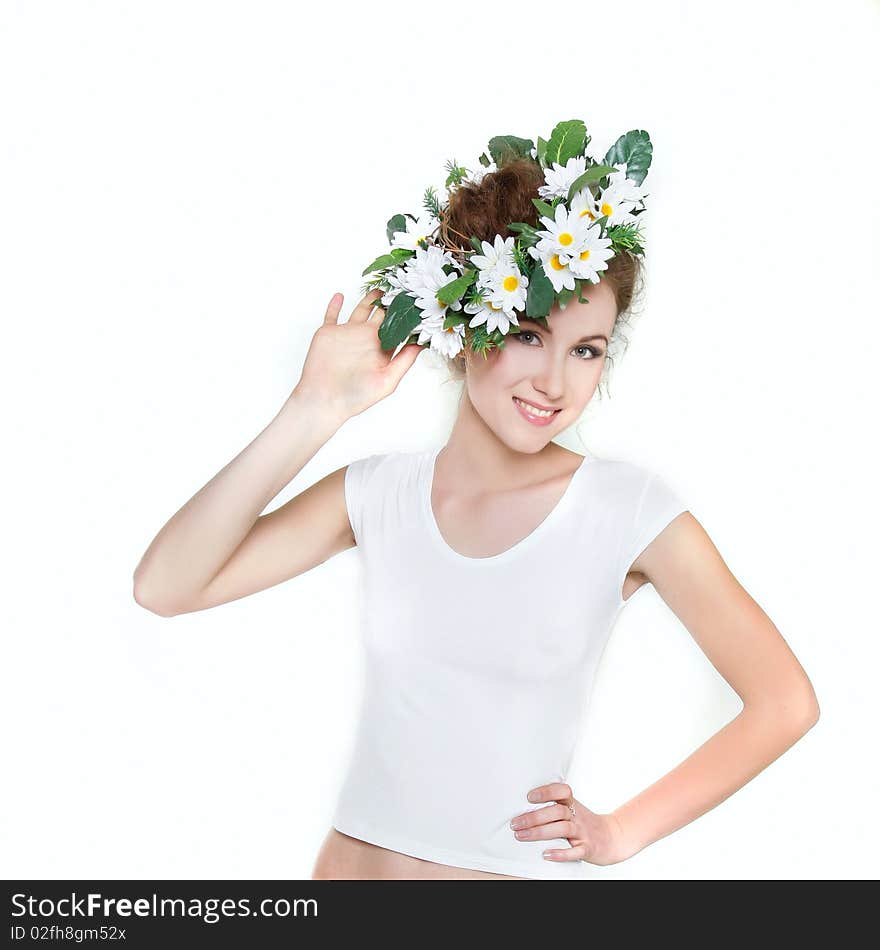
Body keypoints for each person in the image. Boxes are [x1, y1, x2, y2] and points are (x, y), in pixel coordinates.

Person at [133, 132, 820, 881]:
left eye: (587, 349)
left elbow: (784, 702)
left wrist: (622, 831)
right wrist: (314, 409)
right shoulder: (379, 494)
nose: (555, 382)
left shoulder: (624, 511)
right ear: (462, 329)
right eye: (528, 334)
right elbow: (167, 586)